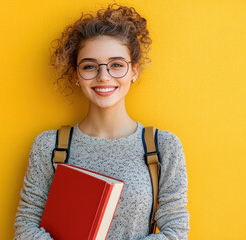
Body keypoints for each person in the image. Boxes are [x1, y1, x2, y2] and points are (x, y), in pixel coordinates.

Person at [14, 3, 190, 239]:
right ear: (77, 75)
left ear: (134, 71)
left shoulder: (164, 147)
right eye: (89, 66)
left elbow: (175, 232)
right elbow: (26, 226)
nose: (103, 76)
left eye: (117, 65)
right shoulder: (49, 146)